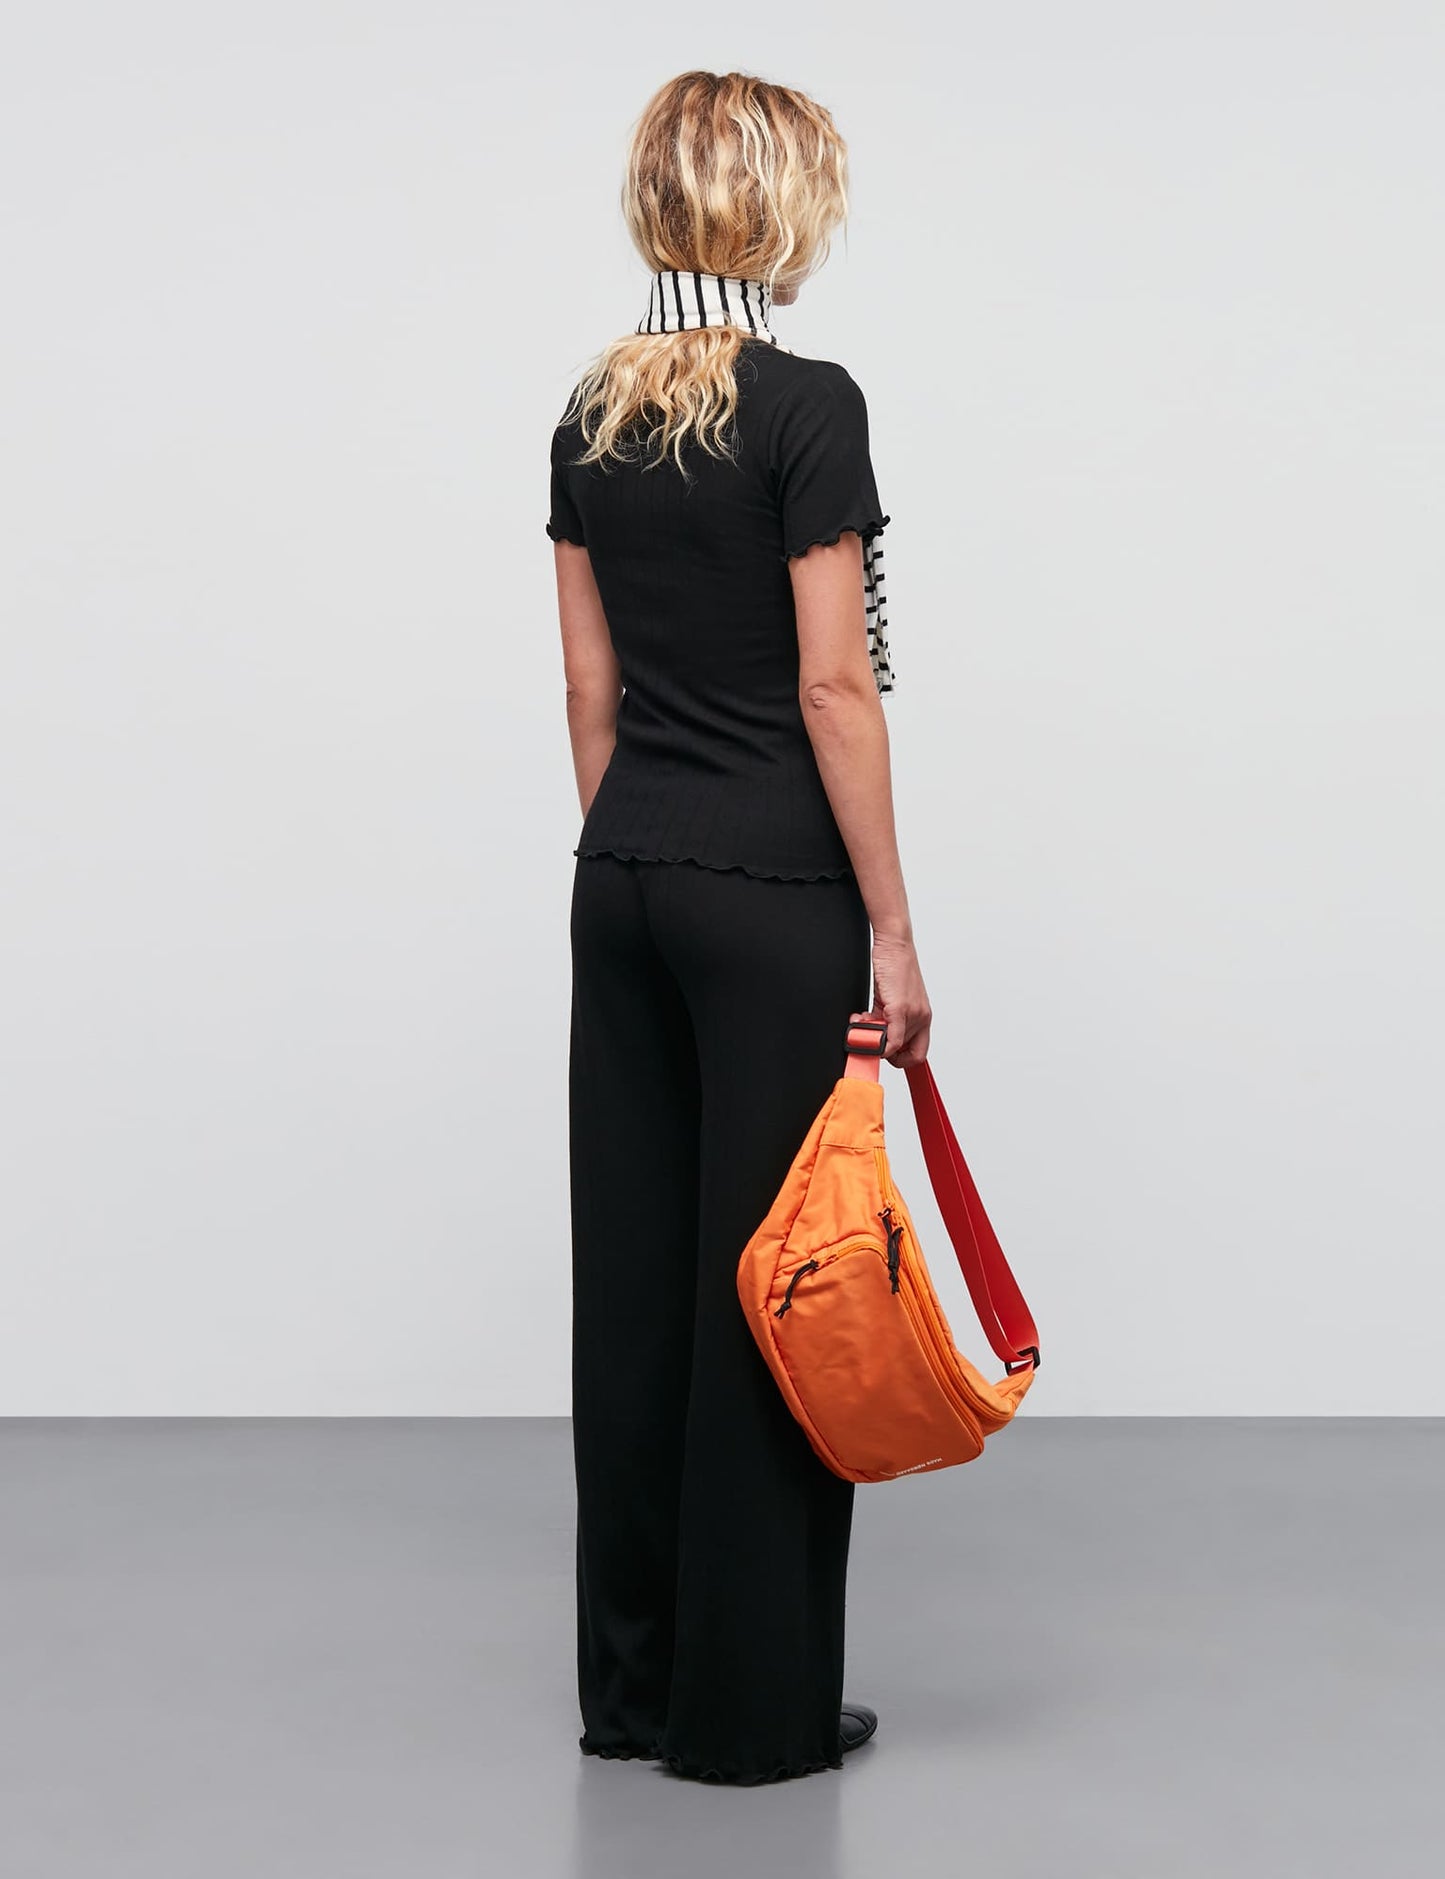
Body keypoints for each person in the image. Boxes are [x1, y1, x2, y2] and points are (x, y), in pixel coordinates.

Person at [546, 69, 932, 1786]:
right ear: (780, 207)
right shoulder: (807, 406)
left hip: (622, 878)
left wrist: (641, 839)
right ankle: (748, 1712)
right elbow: (835, 687)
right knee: (777, 1285)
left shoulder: (586, 414)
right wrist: (892, 933)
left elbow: (588, 687)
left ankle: (632, 1693)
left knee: (633, 1288)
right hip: (772, 896)